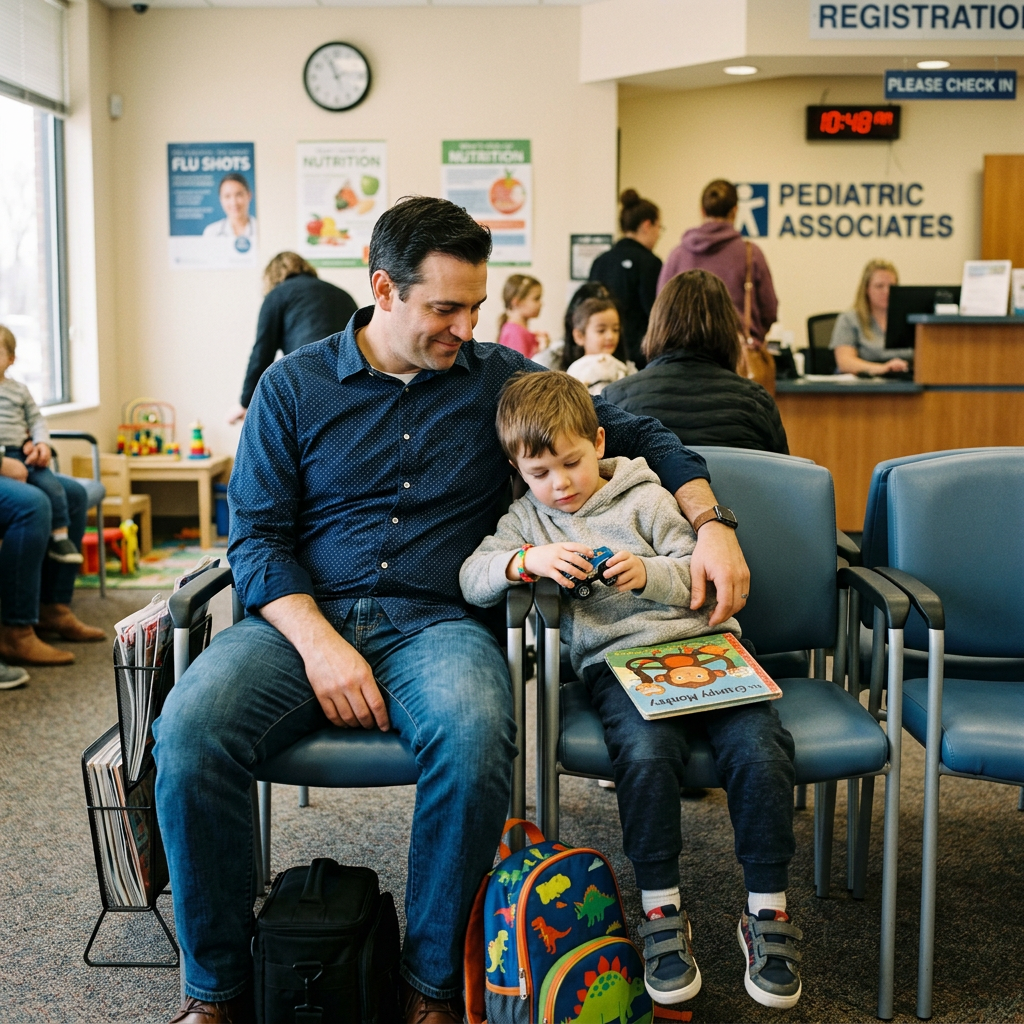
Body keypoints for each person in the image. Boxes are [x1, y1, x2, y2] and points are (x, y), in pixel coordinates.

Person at [153, 196, 751, 1024]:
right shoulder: (292, 388)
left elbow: (643, 432)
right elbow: (254, 542)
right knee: (188, 734)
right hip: (299, 620)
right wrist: (322, 644)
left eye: (474, 306)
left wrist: (712, 525)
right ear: (383, 289)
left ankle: (429, 987)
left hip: (437, 621)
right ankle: (215, 991)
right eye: (444, 308)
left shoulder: (498, 377)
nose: (465, 326)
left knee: (477, 744)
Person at [461, 371, 801, 1011]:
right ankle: (661, 911)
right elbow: (473, 574)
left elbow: (695, 568)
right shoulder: (527, 519)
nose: (560, 484)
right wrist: (524, 562)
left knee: (760, 750)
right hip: (619, 665)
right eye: (539, 472)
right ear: (517, 470)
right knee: (644, 758)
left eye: (572, 462)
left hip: (707, 646)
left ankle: (768, 910)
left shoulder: (644, 495)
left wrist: (648, 574)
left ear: (598, 441)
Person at [603, 270, 788, 454]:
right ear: (728, 328)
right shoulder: (757, 402)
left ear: (657, 325)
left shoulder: (614, 400)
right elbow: (783, 477)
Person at [0, 434, 106, 668]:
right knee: (32, 505)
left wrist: (34, 442)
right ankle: (16, 631)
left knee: (74, 495)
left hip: (16, 457)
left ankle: (53, 608)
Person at [227, 253, 358, 423]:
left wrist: (245, 403)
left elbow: (262, 353)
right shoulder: (343, 295)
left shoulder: (277, 295)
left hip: (307, 380)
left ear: (271, 276)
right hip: (351, 386)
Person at [0, 326, 84, 565]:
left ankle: (60, 537)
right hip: (3, 458)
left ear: (11, 359)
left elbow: (36, 420)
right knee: (35, 500)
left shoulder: (19, 390)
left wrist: (41, 444)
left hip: (20, 452)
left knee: (53, 485)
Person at [658, 179, 778, 344]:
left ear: (702, 211)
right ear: (735, 211)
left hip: (685, 352)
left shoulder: (678, 255)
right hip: (737, 353)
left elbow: (662, 310)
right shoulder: (751, 254)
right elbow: (769, 310)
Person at [588, 190, 663, 369]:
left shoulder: (600, 261)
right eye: (659, 227)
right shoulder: (651, 263)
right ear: (647, 225)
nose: (659, 235)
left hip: (602, 354)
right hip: (640, 356)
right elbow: (655, 312)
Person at [829, 259, 911, 376]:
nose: (887, 291)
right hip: (865, 386)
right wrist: (882, 368)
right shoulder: (849, 319)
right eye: (879, 286)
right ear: (867, 289)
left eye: (892, 286)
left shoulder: (910, 318)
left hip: (905, 383)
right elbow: (845, 362)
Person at [563, 296, 635, 395]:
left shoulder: (624, 368)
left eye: (615, 330)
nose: (610, 336)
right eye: (601, 331)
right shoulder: (577, 370)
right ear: (579, 336)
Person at [496, 273, 549, 359]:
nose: (541, 304)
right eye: (536, 298)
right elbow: (521, 370)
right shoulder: (514, 333)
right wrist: (542, 352)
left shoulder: (519, 331)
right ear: (516, 302)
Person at [202, 173, 257, 241]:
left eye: (238, 195)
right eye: (227, 196)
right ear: (221, 200)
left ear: (249, 195)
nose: (234, 202)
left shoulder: (261, 229)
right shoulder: (211, 233)